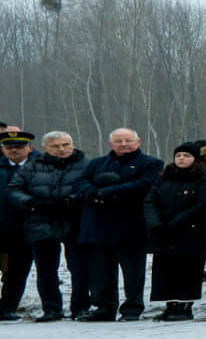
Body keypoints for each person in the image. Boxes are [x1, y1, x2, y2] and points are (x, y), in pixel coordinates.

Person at [77, 128, 163, 321]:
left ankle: (132, 308)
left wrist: (107, 193)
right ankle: (103, 308)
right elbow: (81, 184)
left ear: (138, 142)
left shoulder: (151, 163)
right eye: (118, 141)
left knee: (133, 272)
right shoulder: (97, 163)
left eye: (128, 140)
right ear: (110, 144)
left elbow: (144, 185)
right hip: (98, 225)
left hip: (131, 225)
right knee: (100, 272)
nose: (123, 144)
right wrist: (93, 194)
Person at [7, 131, 90, 320]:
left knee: (79, 268)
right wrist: (30, 202)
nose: (61, 149)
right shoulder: (32, 165)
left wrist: (74, 200)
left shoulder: (86, 164)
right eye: (55, 146)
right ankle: (51, 308)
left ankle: (81, 307)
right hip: (40, 221)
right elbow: (14, 189)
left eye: (65, 145)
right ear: (44, 148)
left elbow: (91, 187)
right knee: (45, 269)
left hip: (74, 221)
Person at [145, 142, 206, 320]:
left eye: (186, 156)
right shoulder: (164, 177)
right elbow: (149, 201)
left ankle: (184, 306)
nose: (181, 159)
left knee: (188, 269)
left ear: (195, 159)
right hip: (164, 231)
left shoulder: (205, 178)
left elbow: (202, 204)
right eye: (178, 155)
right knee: (165, 269)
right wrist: (155, 223)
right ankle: (170, 305)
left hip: (192, 232)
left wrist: (176, 222)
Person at [0, 131, 33, 320]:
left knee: (17, 271)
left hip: (24, 228)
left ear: (29, 148)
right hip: (1, 225)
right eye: (9, 147)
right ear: (2, 149)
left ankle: (8, 308)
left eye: (19, 147)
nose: (14, 150)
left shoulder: (38, 167)